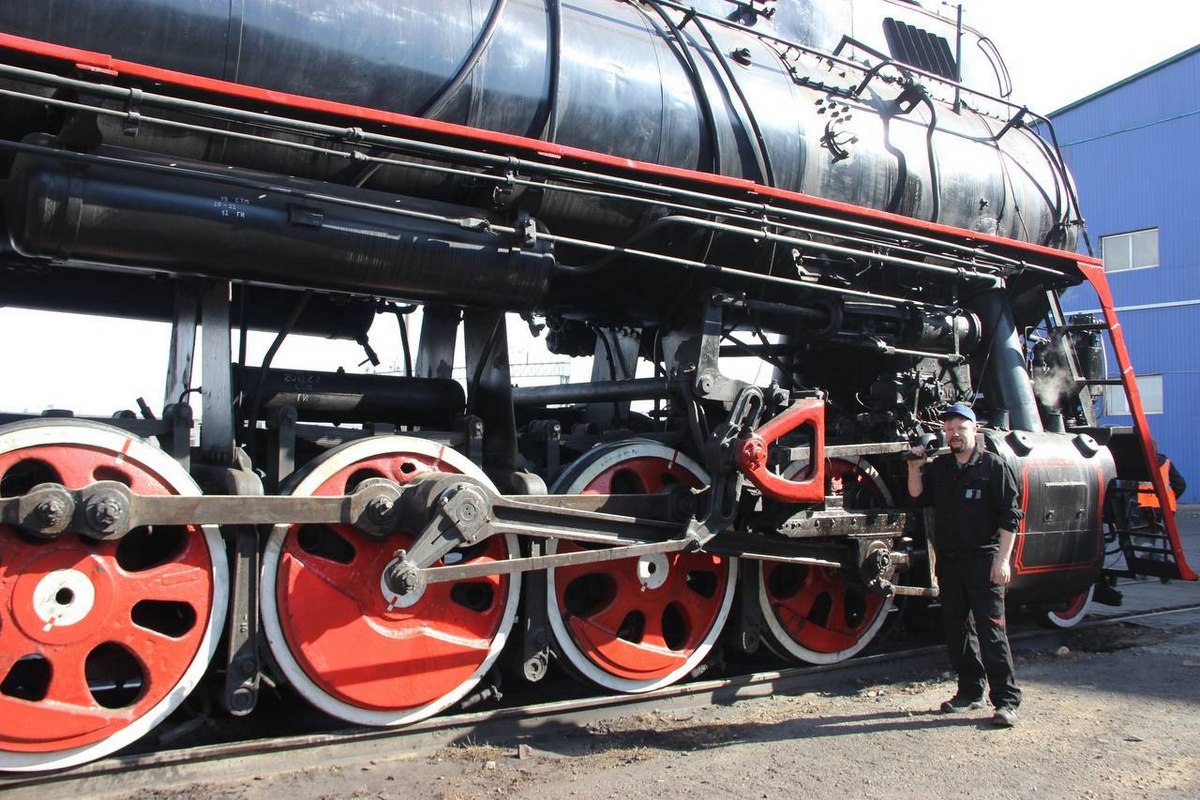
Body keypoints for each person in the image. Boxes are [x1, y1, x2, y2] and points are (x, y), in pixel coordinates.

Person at [907, 403, 1024, 728]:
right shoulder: (942, 467)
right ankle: (969, 691)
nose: (953, 434)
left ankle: (1006, 701)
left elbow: (1010, 517)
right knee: (956, 629)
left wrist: (1003, 560)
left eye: (960, 428)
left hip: (984, 560)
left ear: (974, 429)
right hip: (950, 561)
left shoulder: (993, 467)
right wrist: (915, 467)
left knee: (992, 631)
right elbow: (918, 496)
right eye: (949, 429)